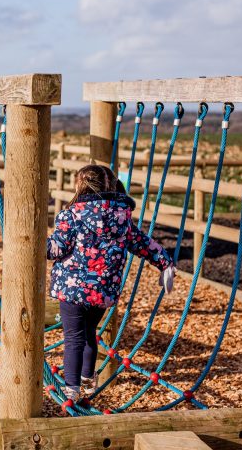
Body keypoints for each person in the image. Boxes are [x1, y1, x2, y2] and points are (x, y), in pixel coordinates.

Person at [46, 164, 176, 401]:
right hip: (102, 293)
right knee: (89, 334)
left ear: (80, 185)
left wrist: (36, 243)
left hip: (72, 290)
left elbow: (57, 248)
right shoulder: (122, 218)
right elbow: (143, 244)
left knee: (74, 337)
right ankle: (87, 382)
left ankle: (70, 390)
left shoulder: (72, 215)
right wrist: (165, 263)